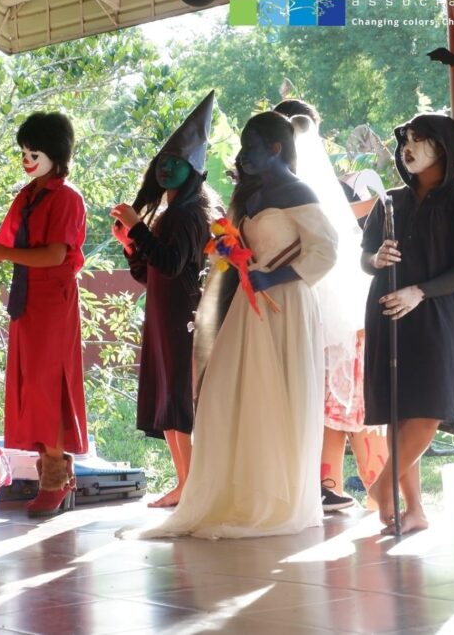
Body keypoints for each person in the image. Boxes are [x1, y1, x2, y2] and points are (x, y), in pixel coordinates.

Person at [137, 111, 337, 539]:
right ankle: (233, 489)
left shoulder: (298, 192)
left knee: (279, 393)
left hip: (287, 303)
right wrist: (228, 249)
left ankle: (277, 498)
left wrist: (275, 276)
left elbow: (325, 251)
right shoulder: (248, 194)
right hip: (249, 304)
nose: (242, 155)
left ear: (276, 149)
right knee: (230, 392)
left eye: (251, 147)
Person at [362, 113, 454, 535]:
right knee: (398, 412)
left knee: (429, 408)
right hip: (387, 310)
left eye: (420, 140)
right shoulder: (389, 202)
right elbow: (365, 257)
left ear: (443, 147)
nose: (408, 148)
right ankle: (413, 510)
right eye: (406, 140)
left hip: (434, 313)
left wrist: (420, 291)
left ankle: (381, 487)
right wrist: (375, 258)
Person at [273, 99, 389, 512]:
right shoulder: (308, 187)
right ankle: (375, 490)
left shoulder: (279, 189)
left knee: (336, 398)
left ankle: (341, 486)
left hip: (311, 301)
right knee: (347, 398)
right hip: (341, 302)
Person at [110, 91, 217, 508]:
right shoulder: (168, 214)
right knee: (169, 402)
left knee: (179, 402)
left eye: (176, 162)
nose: (166, 167)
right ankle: (184, 482)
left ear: (193, 170)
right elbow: (150, 272)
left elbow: (172, 264)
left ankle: (193, 484)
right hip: (162, 317)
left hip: (182, 319)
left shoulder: (190, 214)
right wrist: (131, 242)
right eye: (163, 161)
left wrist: (139, 229)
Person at [0, 112, 88, 517]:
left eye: (34, 153)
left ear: (56, 154)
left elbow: (54, 254)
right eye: (24, 153)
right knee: (31, 385)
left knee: (49, 385)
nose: (27, 160)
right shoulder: (28, 195)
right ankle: (52, 472)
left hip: (53, 300)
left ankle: (55, 479)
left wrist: (1, 253)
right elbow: (3, 244)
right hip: (26, 297)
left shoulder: (67, 198)